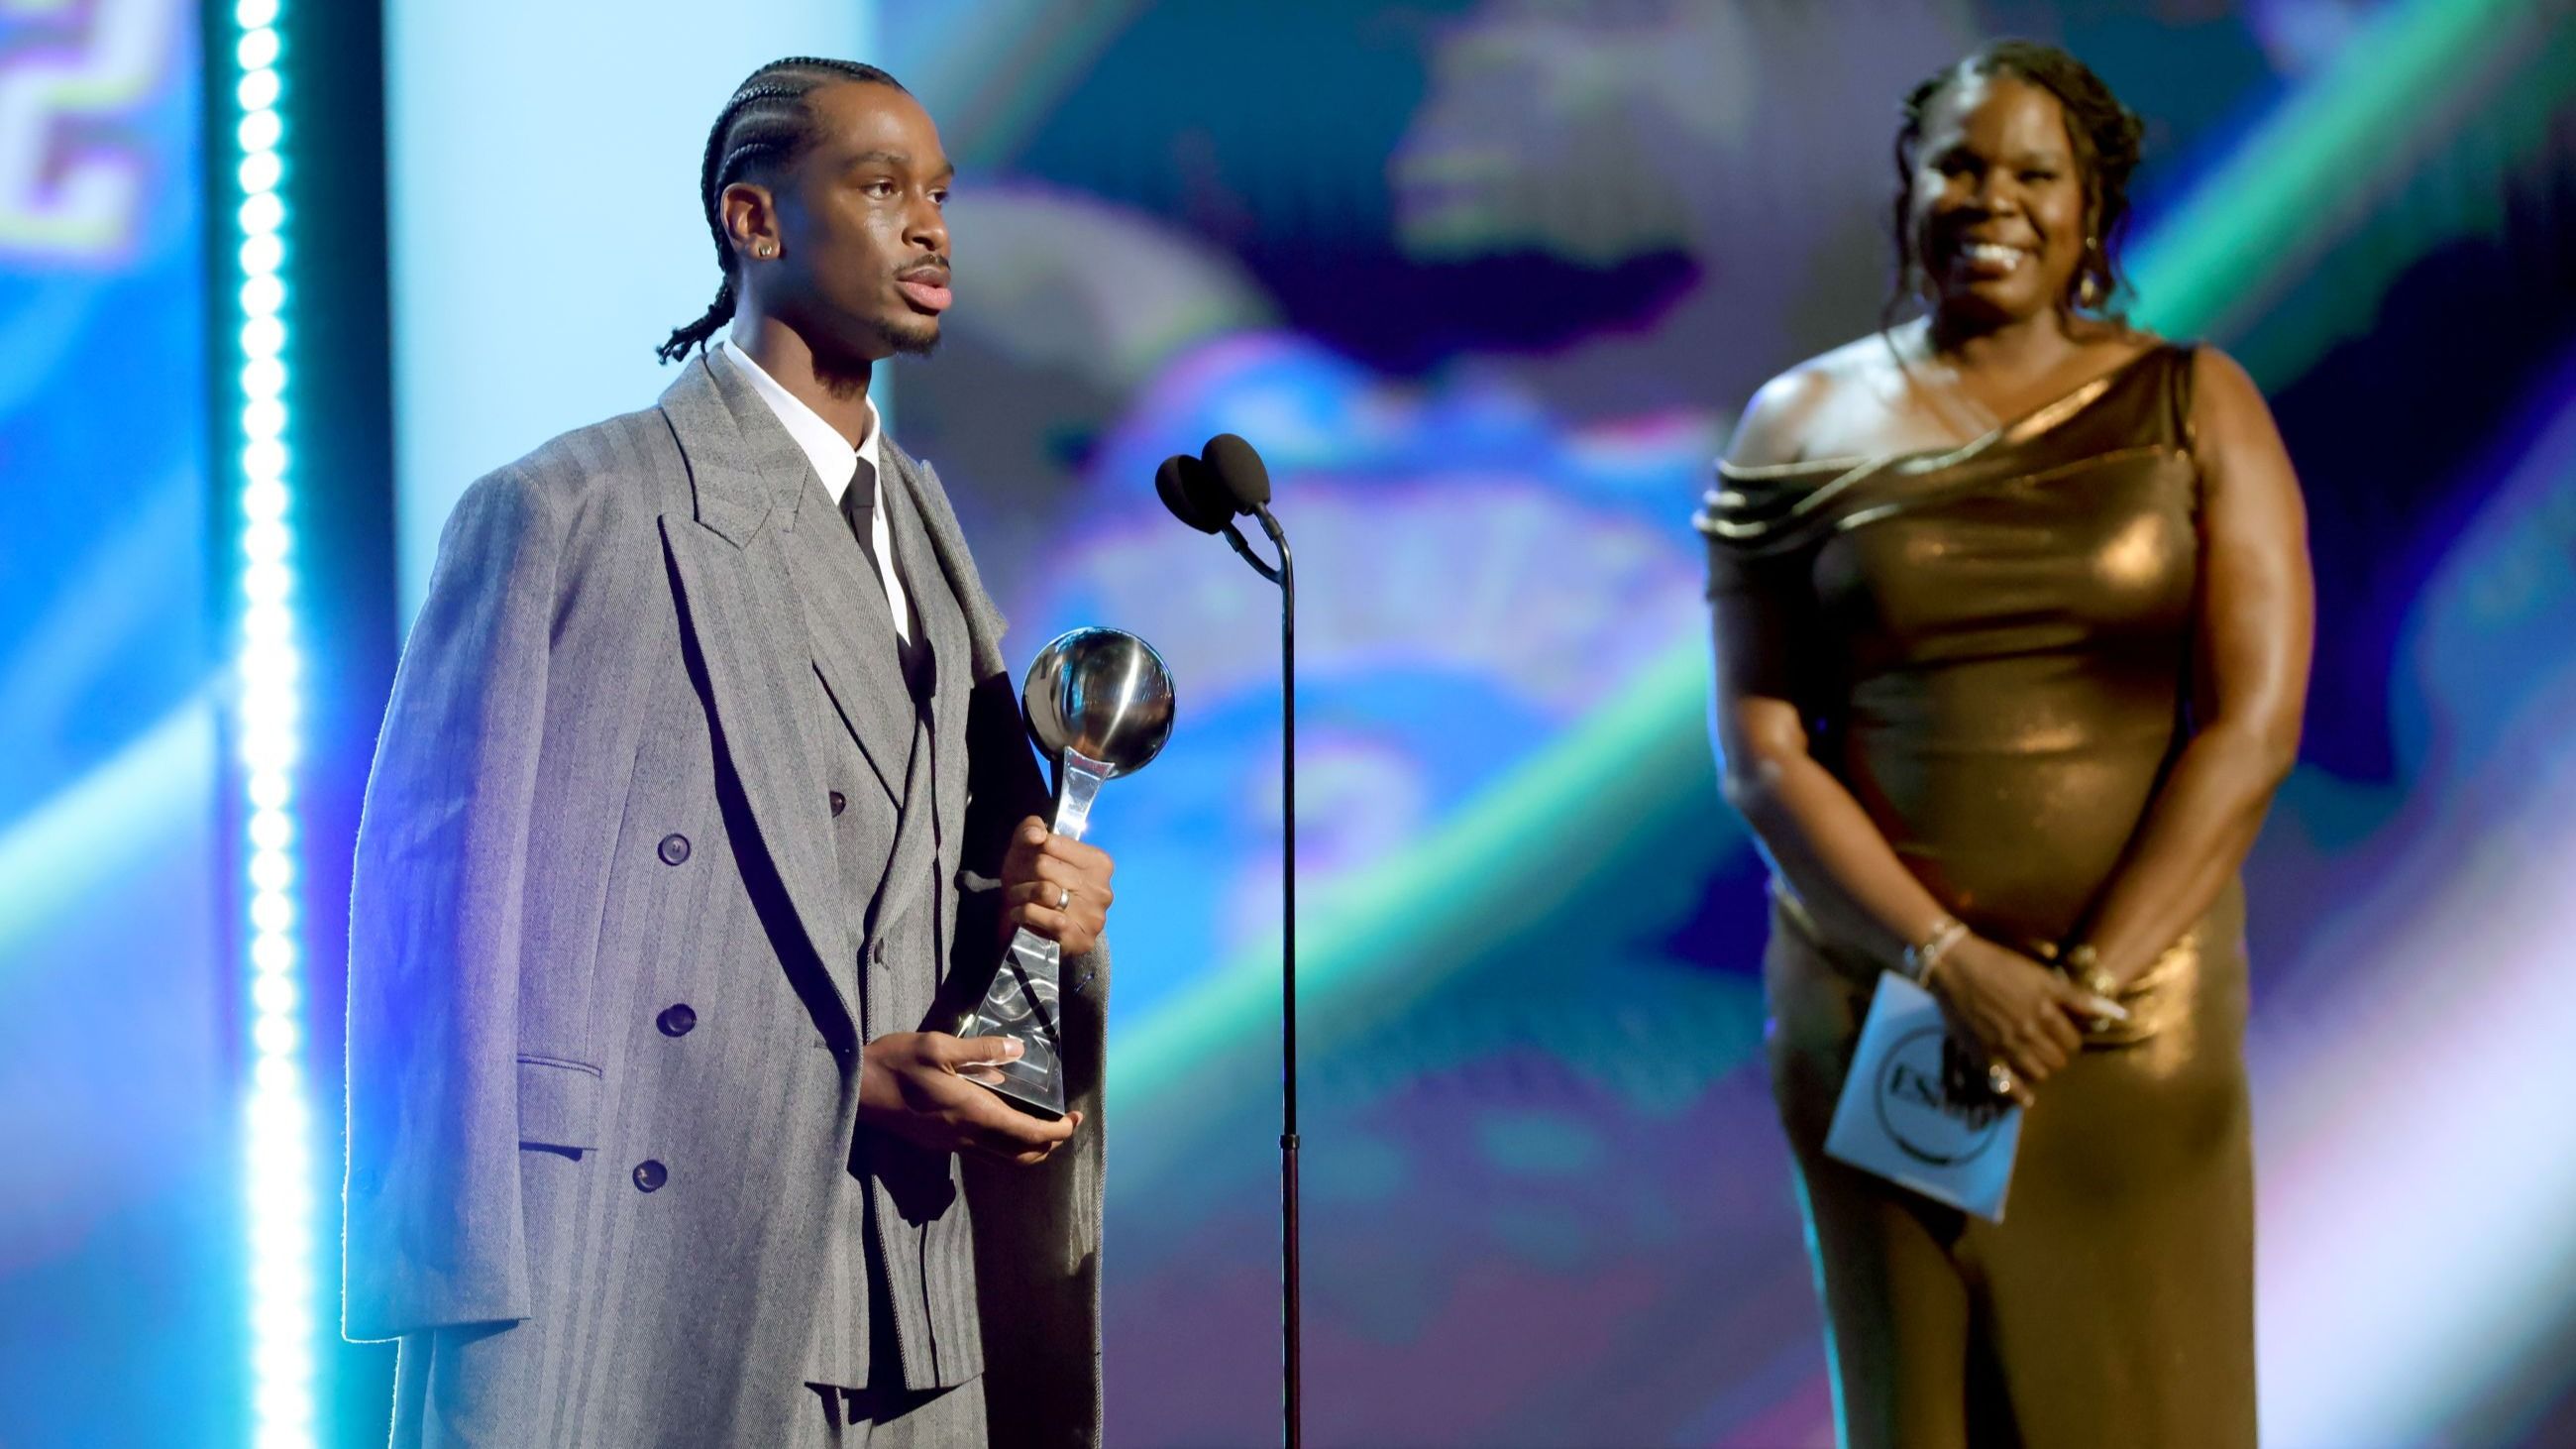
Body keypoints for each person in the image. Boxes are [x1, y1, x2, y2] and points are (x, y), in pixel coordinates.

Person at [345, 57, 1117, 1447]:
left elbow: (948, 904)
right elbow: (435, 919)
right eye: (881, 189)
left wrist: (1046, 933)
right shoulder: (567, 513)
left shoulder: (934, 545)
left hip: (908, 1281)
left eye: (940, 193)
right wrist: (832, 1072)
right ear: (754, 222)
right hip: (648, 1262)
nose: (932, 228)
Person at [1701, 40, 2310, 1449]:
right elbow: (1764, 745)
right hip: (1891, 1009)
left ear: (2092, 212)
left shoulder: (2195, 405)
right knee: (1928, 1412)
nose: (1993, 197)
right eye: (1960, 163)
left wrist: (2080, 987)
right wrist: (1951, 965)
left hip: (2127, 1022)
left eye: (2035, 171)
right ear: (1908, 188)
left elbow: (2253, 724)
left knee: (2140, 1403)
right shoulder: (1797, 424)